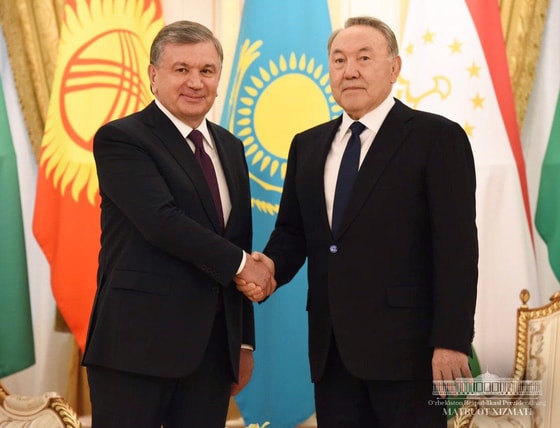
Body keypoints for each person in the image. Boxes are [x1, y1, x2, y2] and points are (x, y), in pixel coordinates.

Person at [238, 16, 478, 428]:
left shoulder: (437, 138)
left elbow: (457, 249)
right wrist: (270, 267)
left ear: (394, 68)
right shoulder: (307, 145)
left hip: (410, 355)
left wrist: (451, 341)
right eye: (339, 60)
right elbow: (293, 232)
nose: (349, 70)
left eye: (364, 58)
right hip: (332, 355)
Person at [82, 20, 275, 428]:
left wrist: (242, 341)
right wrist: (246, 266)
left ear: (219, 77)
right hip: (136, 350)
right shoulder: (122, 139)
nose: (195, 82)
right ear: (153, 75)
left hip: (211, 356)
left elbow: (237, 239)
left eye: (207, 70)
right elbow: (162, 222)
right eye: (181, 69)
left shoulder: (230, 146)